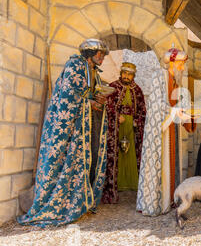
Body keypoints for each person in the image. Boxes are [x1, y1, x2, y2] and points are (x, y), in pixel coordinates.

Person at [17, 39, 110, 227]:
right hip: (71, 127)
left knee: (89, 160)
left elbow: (88, 95)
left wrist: (99, 99)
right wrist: (89, 103)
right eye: (98, 53)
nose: (102, 57)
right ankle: (63, 204)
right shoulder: (75, 65)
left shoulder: (94, 72)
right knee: (65, 160)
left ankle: (82, 201)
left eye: (102, 53)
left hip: (87, 124)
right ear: (89, 53)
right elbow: (68, 98)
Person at [136, 47, 196, 216]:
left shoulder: (175, 82)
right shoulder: (158, 76)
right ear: (172, 63)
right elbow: (155, 105)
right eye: (181, 64)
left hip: (170, 129)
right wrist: (176, 112)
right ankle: (156, 203)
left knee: (172, 164)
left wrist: (184, 113)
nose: (183, 68)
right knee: (161, 164)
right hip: (159, 131)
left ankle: (169, 200)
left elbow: (174, 106)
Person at [101, 62, 146, 204]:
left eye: (129, 74)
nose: (126, 76)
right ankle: (116, 186)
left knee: (130, 153)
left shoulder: (137, 90)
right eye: (125, 73)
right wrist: (116, 115)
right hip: (116, 126)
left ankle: (132, 184)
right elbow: (107, 105)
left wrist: (136, 121)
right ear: (121, 73)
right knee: (117, 154)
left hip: (131, 126)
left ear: (133, 75)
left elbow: (142, 109)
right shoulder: (113, 87)